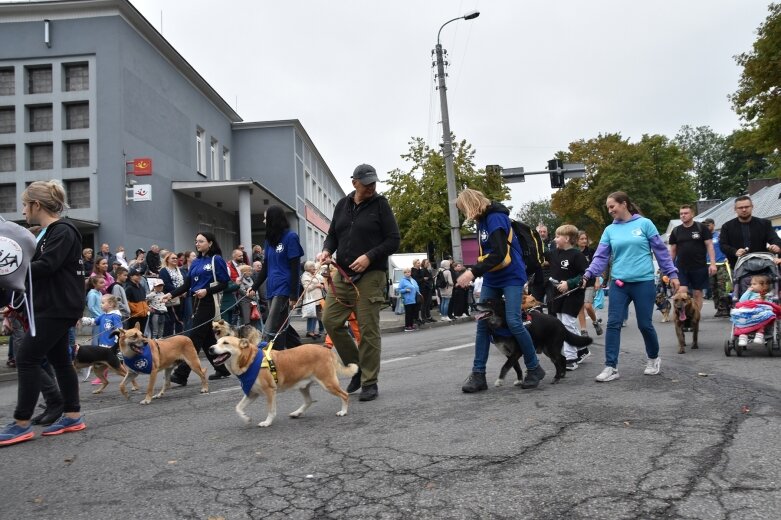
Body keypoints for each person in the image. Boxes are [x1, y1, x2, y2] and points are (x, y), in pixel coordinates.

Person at [0, 180, 86, 446]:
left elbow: (46, 266)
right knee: (59, 361)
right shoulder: (52, 232)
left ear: (36, 205)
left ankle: (21, 423)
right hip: (56, 305)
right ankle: (72, 415)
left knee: (26, 358)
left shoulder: (61, 230)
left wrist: (9, 268)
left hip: (57, 306)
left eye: (25, 204)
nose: (23, 210)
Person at [317, 163, 400, 402]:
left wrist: (369, 256)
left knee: (368, 330)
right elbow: (333, 234)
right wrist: (326, 250)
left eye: (374, 182)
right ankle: (357, 367)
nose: (372, 187)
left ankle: (370, 381)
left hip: (371, 275)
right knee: (330, 320)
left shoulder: (381, 205)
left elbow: (393, 240)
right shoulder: (342, 205)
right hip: (342, 273)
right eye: (367, 183)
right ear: (354, 183)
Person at [454, 188, 547, 393]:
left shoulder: (496, 218)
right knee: (482, 322)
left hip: (511, 275)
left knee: (514, 321)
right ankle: (478, 374)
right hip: (492, 276)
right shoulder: (482, 222)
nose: (464, 214)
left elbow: (499, 254)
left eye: (463, 209)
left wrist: (472, 272)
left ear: (470, 205)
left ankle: (534, 368)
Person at [582, 191, 680, 383]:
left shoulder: (645, 224)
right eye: (608, 207)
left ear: (624, 204)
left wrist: (672, 273)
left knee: (645, 324)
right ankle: (611, 366)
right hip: (619, 283)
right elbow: (601, 257)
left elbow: (661, 252)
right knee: (613, 323)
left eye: (612, 206)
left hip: (643, 282)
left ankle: (653, 358)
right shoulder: (610, 230)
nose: (610, 211)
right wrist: (589, 273)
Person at [164, 232, 231, 382]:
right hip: (195, 301)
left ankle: (182, 374)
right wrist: (170, 294)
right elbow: (187, 285)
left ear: (210, 243)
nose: (197, 244)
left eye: (201, 241)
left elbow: (224, 283)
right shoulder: (195, 262)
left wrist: (207, 290)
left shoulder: (216, 259)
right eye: (196, 241)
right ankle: (221, 369)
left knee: (194, 337)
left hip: (208, 302)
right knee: (206, 338)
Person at [249, 205, 304, 350]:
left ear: (273, 219)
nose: (263, 221)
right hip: (271, 287)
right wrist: (254, 287)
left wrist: (294, 294)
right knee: (281, 323)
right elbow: (266, 267)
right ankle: (300, 351)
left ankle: (273, 358)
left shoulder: (291, 237)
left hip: (284, 287)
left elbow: (295, 268)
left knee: (272, 326)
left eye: (266, 218)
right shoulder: (269, 240)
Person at [549, 225, 590, 370]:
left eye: (558, 236)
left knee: (567, 324)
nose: (555, 239)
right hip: (558, 295)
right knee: (562, 324)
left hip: (573, 295)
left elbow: (585, 275)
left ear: (566, 239)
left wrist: (569, 283)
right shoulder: (555, 253)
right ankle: (582, 348)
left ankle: (571, 358)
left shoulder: (577, 255)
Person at [718, 195, 781, 291]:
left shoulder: (764, 224)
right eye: (740, 207)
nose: (744, 210)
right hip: (738, 267)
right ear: (735, 209)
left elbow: (774, 239)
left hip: (763, 266)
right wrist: (735, 251)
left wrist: (776, 246)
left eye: (746, 207)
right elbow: (723, 245)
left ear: (752, 207)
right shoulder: (727, 227)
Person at [668, 204, 717, 312]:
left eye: (686, 213)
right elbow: (673, 250)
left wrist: (713, 264)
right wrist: (669, 268)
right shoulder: (676, 231)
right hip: (681, 267)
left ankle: (695, 316)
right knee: (682, 291)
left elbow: (710, 245)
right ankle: (683, 316)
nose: (683, 215)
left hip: (699, 266)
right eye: (681, 213)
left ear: (692, 214)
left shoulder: (701, 228)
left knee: (697, 293)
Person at [730, 274, 778, 346]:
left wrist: (763, 300)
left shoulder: (768, 295)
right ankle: (743, 336)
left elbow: (769, 305)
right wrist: (748, 292)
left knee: (765, 316)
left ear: (764, 286)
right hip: (749, 312)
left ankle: (759, 334)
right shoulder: (750, 294)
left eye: (754, 284)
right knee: (742, 318)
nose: (751, 286)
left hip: (760, 312)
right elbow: (742, 301)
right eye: (751, 284)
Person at [576, 230, 603, 336]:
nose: (584, 241)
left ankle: (595, 322)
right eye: (581, 239)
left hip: (590, 281)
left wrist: (597, 280)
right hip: (577, 283)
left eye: (585, 239)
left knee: (587, 305)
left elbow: (596, 267)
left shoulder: (591, 251)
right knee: (580, 307)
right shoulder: (574, 252)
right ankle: (584, 330)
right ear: (576, 240)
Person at [702, 218, 731, 317]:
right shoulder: (703, 237)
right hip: (708, 265)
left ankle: (726, 308)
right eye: (705, 226)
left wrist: (727, 257)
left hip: (721, 264)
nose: (706, 227)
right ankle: (719, 308)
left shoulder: (719, 236)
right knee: (713, 287)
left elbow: (727, 246)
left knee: (723, 287)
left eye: (708, 225)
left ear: (713, 225)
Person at [159, 252, 185, 335]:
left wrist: (183, 291)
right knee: (171, 320)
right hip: (171, 298)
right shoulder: (164, 271)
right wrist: (178, 292)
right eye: (173, 258)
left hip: (182, 297)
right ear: (167, 260)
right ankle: (168, 339)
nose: (175, 259)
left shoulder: (179, 270)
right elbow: (166, 284)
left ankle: (179, 337)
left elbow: (185, 282)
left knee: (181, 319)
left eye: (176, 258)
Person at [301, 260, 325, 338]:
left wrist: (316, 276)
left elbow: (321, 279)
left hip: (318, 299)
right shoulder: (305, 276)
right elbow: (307, 288)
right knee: (311, 315)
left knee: (317, 315)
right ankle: (310, 331)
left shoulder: (313, 274)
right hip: (311, 299)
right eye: (312, 267)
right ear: (308, 268)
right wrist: (316, 285)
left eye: (314, 267)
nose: (314, 268)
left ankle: (314, 331)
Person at [124, 268, 149, 334]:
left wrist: (146, 308)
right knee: (134, 334)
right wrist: (135, 309)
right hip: (135, 316)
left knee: (142, 333)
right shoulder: (128, 287)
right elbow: (126, 301)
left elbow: (144, 299)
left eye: (140, 275)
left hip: (143, 315)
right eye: (137, 275)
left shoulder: (141, 287)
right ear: (131, 276)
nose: (139, 276)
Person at [398, 268, 420, 332]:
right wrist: (405, 290)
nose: (408, 273)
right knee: (408, 313)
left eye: (409, 272)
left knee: (413, 313)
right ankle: (407, 326)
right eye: (406, 272)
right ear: (404, 273)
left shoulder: (413, 280)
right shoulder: (403, 280)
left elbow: (417, 287)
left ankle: (412, 325)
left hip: (414, 299)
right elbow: (398, 290)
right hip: (407, 300)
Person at [419, 259, 435, 323]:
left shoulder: (428, 270)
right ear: (423, 263)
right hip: (425, 289)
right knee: (424, 304)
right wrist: (429, 283)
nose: (428, 263)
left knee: (428, 304)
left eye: (428, 262)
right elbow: (423, 280)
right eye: (427, 263)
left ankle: (428, 316)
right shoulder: (423, 270)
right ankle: (424, 317)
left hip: (428, 289)